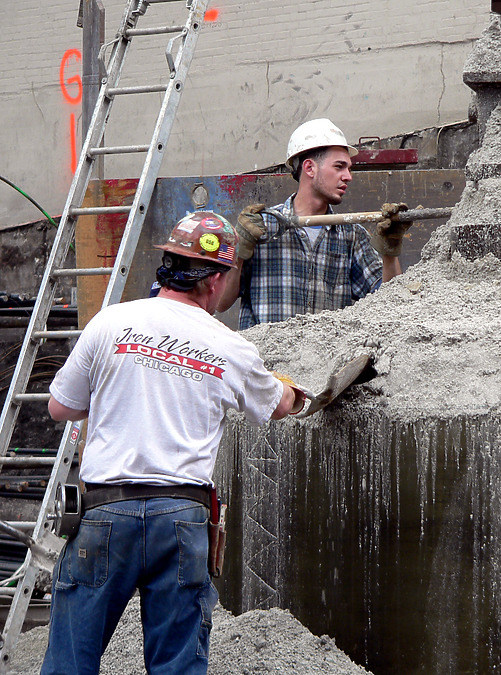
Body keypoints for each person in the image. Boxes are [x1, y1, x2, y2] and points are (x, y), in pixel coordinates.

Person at [40, 211, 307, 675]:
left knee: (70, 661)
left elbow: (60, 408)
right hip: (182, 521)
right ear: (217, 280)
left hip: (106, 513)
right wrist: (296, 394)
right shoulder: (230, 347)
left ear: (168, 263)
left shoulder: (111, 323)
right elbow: (280, 404)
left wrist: (121, 387)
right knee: (177, 666)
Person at [217, 118, 410, 329]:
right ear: (310, 168)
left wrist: (390, 252)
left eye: (349, 169)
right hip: (267, 359)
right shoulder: (262, 228)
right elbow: (221, 303)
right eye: (339, 167)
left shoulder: (351, 235)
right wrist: (239, 251)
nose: (348, 176)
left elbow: (389, 303)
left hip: (322, 360)